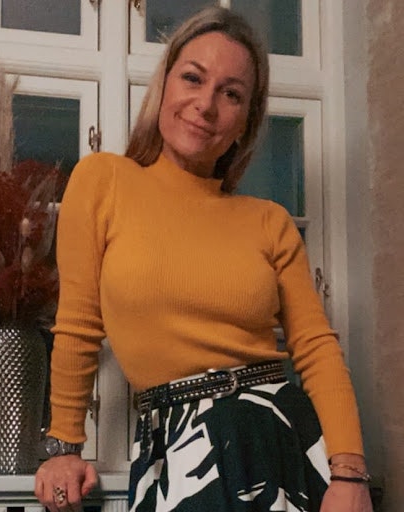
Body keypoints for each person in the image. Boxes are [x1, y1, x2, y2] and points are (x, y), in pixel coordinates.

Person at [35, 6, 373, 512]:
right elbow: (79, 324)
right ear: (165, 85)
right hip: (175, 449)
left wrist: (349, 474)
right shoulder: (103, 181)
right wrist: (64, 447)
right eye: (193, 78)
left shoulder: (270, 221)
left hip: (279, 439)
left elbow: (316, 349)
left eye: (231, 94)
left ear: (245, 122)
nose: (206, 104)